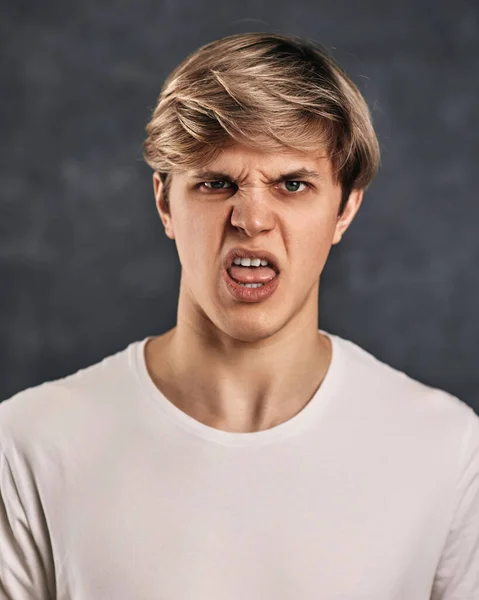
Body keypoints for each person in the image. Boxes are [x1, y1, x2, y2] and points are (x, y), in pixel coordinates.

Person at [0, 32, 478, 600]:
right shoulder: (28, 443)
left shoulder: (446, 451)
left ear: (345, 208)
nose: (251, 219)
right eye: (216, 183)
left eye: (292, 184)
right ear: (164, 202)